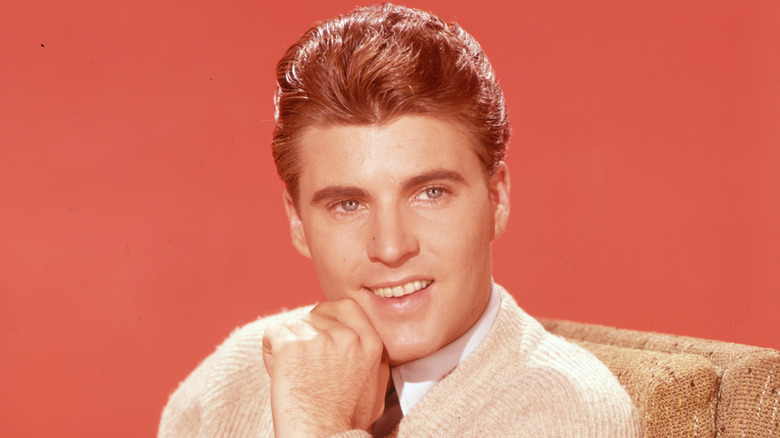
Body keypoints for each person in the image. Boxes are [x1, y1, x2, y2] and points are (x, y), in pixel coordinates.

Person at [159, 4, 642, 437]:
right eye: (348, 204)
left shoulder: (568, 413)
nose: (390, 248)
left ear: (496, 199)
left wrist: (317, 424)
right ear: (297, 222)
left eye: (430, 193)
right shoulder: (239, 373)